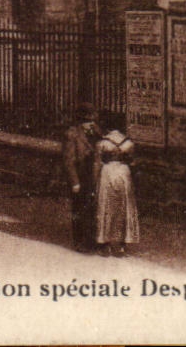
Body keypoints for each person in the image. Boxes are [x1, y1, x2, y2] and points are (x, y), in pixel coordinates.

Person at [93, 112, 140, 257]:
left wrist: (95, 182)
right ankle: (121, 245)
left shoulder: (102, 143)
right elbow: (133, 163)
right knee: (124, 206)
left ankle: (104, 243)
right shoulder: (129, 143)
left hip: (107, 172)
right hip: (123, 173)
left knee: (105, 205)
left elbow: (97, 163)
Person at [61, 104, 100, 252]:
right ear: (80, 122)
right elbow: (68, 160)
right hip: (79, 175)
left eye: (92, 121)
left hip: (92, 175)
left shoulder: (95, 131)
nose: (91, 124)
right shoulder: (71, 135)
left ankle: (91, 240)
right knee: (78, 209)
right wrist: (74, 182)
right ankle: (79, 241)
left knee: (91, 208)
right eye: (88, 121)